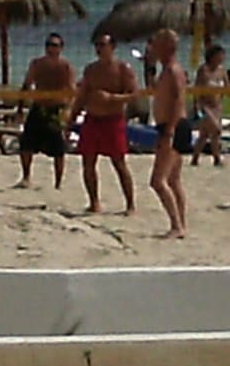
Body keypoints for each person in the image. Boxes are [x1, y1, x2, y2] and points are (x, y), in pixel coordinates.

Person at [66, 33, 139, 214]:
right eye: (97, 45)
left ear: (112, 47)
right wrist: (71, 120)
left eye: (102, 45)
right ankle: (94, 202)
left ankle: (130, 204)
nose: (99, 49)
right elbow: (82, 96)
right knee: (88, 162)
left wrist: (112, 98)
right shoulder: (91, 69)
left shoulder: (123, 68)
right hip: (92, 119)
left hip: (113, 120)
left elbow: (135, 95)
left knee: (119, 163)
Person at [16, 32, 76, 189]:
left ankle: (58, 183)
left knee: (58, 150)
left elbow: (71, 91)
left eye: (54, 45)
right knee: (26, 145)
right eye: (48, 45)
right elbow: (26, 85)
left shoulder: (66, 67)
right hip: (39, 107)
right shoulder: (37, 64)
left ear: (61, 48)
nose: (51, 48)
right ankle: (26, 176)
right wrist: (20, 108)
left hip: (56, 109)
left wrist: (68, 111)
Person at [149, 28, 190, 238]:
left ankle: (176, 226)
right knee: (173, 180)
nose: (152, 47)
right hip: (169, 126)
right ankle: (180, 224)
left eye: (155, 43)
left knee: (158, 181)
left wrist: (170, 131)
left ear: (166, 47)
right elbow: (157, 92)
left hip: (173, 126)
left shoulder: (174, 70)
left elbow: (178, 101)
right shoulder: (165, 69)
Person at [191, 44, 228, 167]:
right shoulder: (204, 70)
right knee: (216, 130)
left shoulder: (222, 70)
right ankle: (217, 158)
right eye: (219, 55)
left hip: (217, 106)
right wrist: (196, 106)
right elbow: (197, 89)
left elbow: (228, 87)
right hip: (205, 106)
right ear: (212, 56)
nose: (222, 57)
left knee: (205, 134)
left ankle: (195, 158)